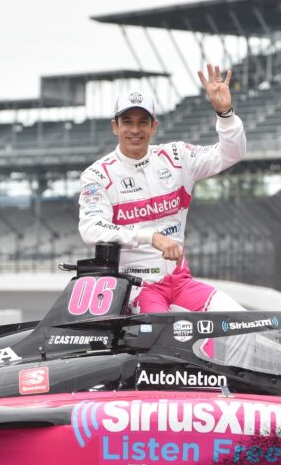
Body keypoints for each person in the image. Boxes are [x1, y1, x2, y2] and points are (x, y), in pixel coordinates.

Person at [78, 65, 246, 313]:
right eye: (127, 122)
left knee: (238, 324)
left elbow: (232, 154)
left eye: (142, 122)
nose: (135, 130)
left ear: (153, 126)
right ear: (115, 126)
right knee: (167, 337)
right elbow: (91, 229)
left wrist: (225, 113)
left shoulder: (177, 156)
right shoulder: (98, 174)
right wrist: (149, 237)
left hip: (181, 282)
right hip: (137, 286)